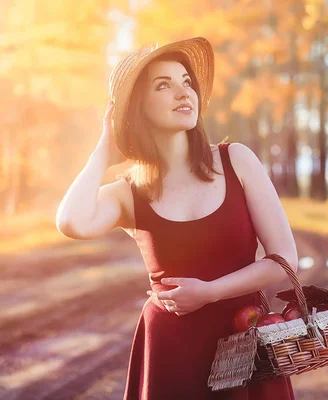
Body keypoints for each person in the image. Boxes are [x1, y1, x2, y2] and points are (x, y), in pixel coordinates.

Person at [55, 37, 298, 399]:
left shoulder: (237, 160)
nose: (182, 92)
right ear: (137, 107)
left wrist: (210, 292)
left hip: (245, 343)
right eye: (163, 85)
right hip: (170, 350)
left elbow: (284, 260)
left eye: (186, 81)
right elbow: (71, 221)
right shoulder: (128, 192)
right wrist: (104, 150)